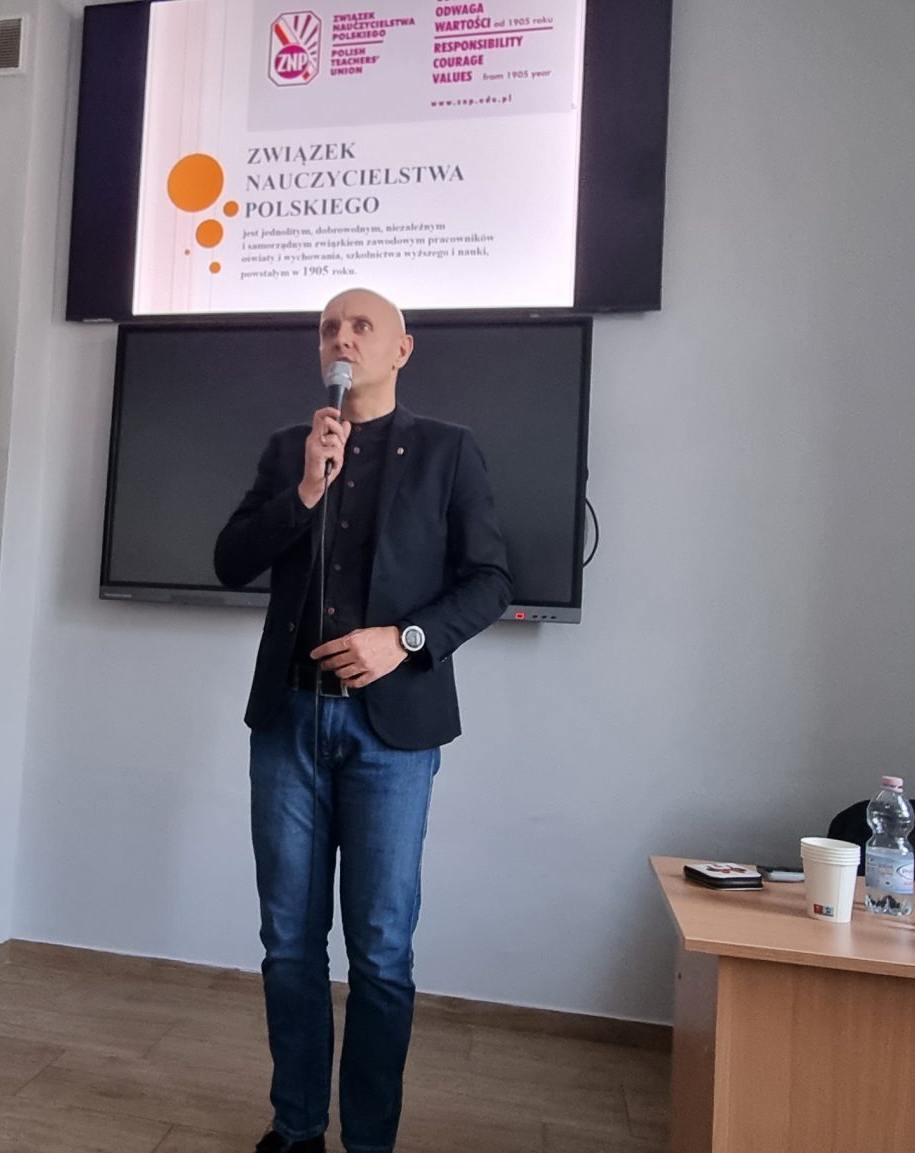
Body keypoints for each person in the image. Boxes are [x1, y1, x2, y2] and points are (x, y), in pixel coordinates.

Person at [213, 288, 513, 1153]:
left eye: (360, 326)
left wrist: (404, 639)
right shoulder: (291, 450)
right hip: (290, 725)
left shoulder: (449, 451)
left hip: (392, 735)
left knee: (380, 949)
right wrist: (307, 489)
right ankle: (297, 1126)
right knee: (289, 943)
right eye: (328, 328)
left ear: (401, 349)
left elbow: (491, 581)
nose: (341, 338)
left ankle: (370, 1140)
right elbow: (231, 561)